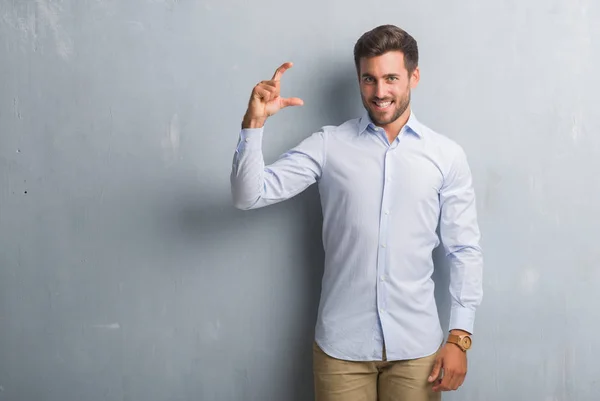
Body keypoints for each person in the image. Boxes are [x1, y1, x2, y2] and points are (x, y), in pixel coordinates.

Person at [230, 24, 483, 401]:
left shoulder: (446, 156)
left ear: (414, 76)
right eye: (369, 79)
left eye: (391, 78)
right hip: (341, 350)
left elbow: (464, 250)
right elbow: (250, 195)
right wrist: (254, 125)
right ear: (359, 79)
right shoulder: (328, 145)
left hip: (417, 349)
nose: (380, 92)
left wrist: (460, 339)